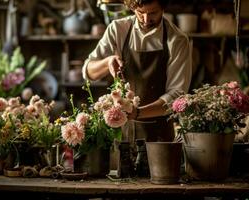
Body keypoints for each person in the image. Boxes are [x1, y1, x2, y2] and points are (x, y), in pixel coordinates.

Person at [82, 0, 192, 143]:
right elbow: (89, 72)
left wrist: (137, 112)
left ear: (163, 8)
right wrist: (107, 62)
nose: (146, 20)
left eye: (153, 13)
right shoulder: (118, 29)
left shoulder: (177, 40)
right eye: (140, 13)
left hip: (159, 134)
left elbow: (177, 94)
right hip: (121, 130)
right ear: (132, 8)